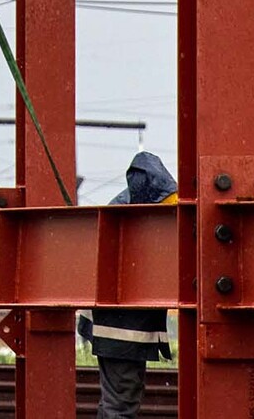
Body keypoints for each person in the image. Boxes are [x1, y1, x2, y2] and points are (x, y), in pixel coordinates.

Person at [77, 151, 179, 419]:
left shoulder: (127, 209)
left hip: (117, 326)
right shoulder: (138, 217)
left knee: (116, 401)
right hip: (120, 328)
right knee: (121, 404)